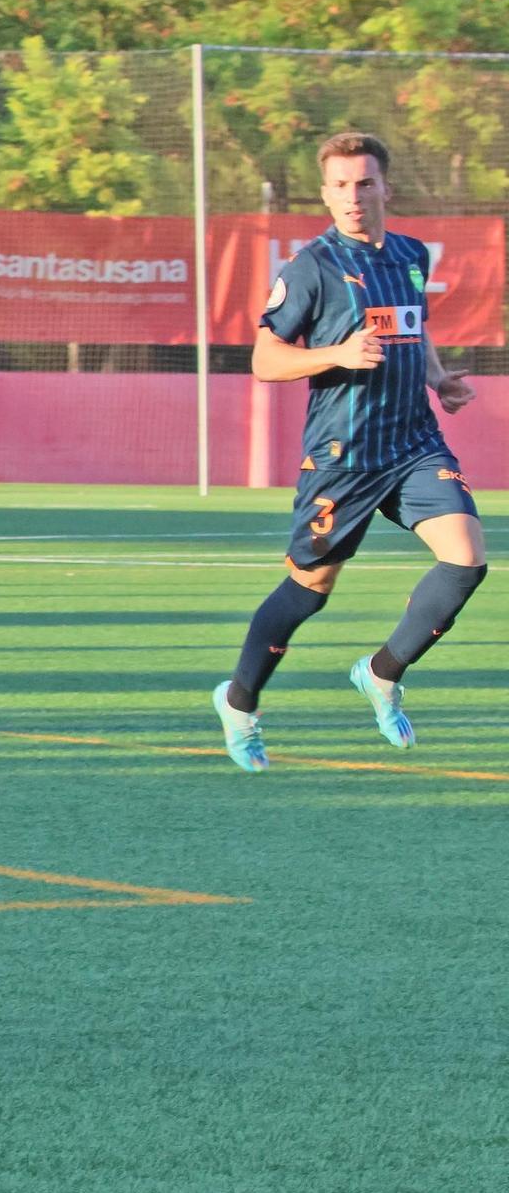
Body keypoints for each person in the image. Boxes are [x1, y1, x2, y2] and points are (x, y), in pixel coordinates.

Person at [212, 131, 486, 771]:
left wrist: (438, 379)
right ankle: (239, 700)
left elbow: (412, 328)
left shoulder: (412, 255)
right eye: (339, 186)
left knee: (467, 559)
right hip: (344, 453)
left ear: (386, 188)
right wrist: (335, 354)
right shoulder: (311, 266)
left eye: (364, 183)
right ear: (326, 194)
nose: (353, 197)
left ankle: (382, 673)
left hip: (415, 442)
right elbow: (265, 359)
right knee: (310, 589)